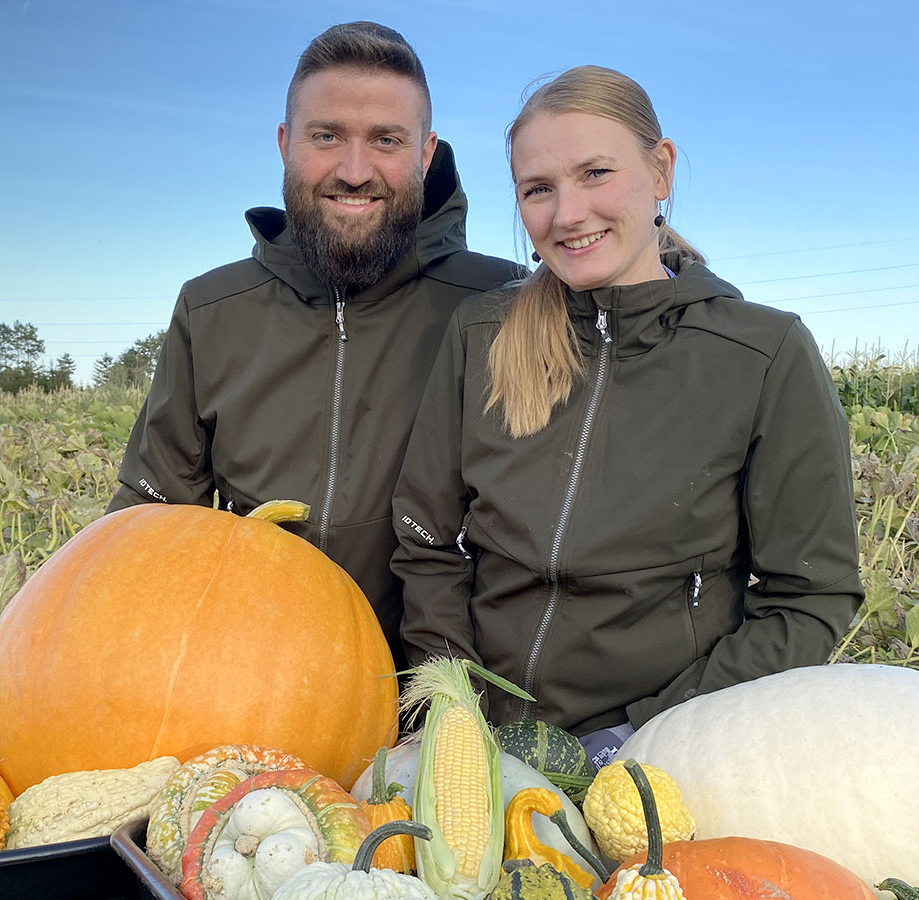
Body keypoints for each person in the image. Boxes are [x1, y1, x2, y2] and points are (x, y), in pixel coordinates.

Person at [391, 65, 863, 766]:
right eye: (538, 189)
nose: (567, 214)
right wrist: (451, 709)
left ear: (661, 170)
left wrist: (646, 737)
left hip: (661, 752)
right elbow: (427, 543)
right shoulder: (480, 334)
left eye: (595, 174)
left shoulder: (761, 354)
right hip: (478, 741)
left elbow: (811, 596)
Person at [106, 22, 523, 667]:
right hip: (250, 676)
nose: (354, 172)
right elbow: (150, 516)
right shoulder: (212, 310)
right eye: (326, 136)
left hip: (449, 687)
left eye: (387, 140)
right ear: (284, 144)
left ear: (426, 152)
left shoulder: (502, 304)